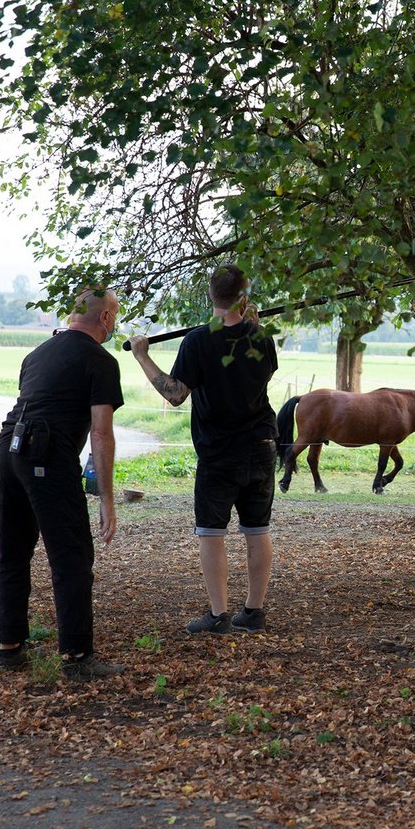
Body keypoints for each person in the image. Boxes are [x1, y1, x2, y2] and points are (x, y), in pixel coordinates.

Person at [129, 266, 279, 634]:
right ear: (244, 298)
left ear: (210, 297)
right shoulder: (262, 338)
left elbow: (176, 394)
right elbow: (263, 375)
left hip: (219, 451)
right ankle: (254, 612)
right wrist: (252, 326)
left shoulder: (197, 341)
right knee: (256, 530)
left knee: (212, 532)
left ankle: (218, 615)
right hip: (261, 445)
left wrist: (142, 356)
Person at [0, 287, 125, 682]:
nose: (115, 322)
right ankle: (77, 655)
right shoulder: (101, 361)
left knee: (14, 549)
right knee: (71, 554)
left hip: (8, 448)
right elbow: (101, 435)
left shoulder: (36, 354)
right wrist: (106, 499)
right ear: (104, 319)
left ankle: (10, 647)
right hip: (45, 454)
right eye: (114, 315)